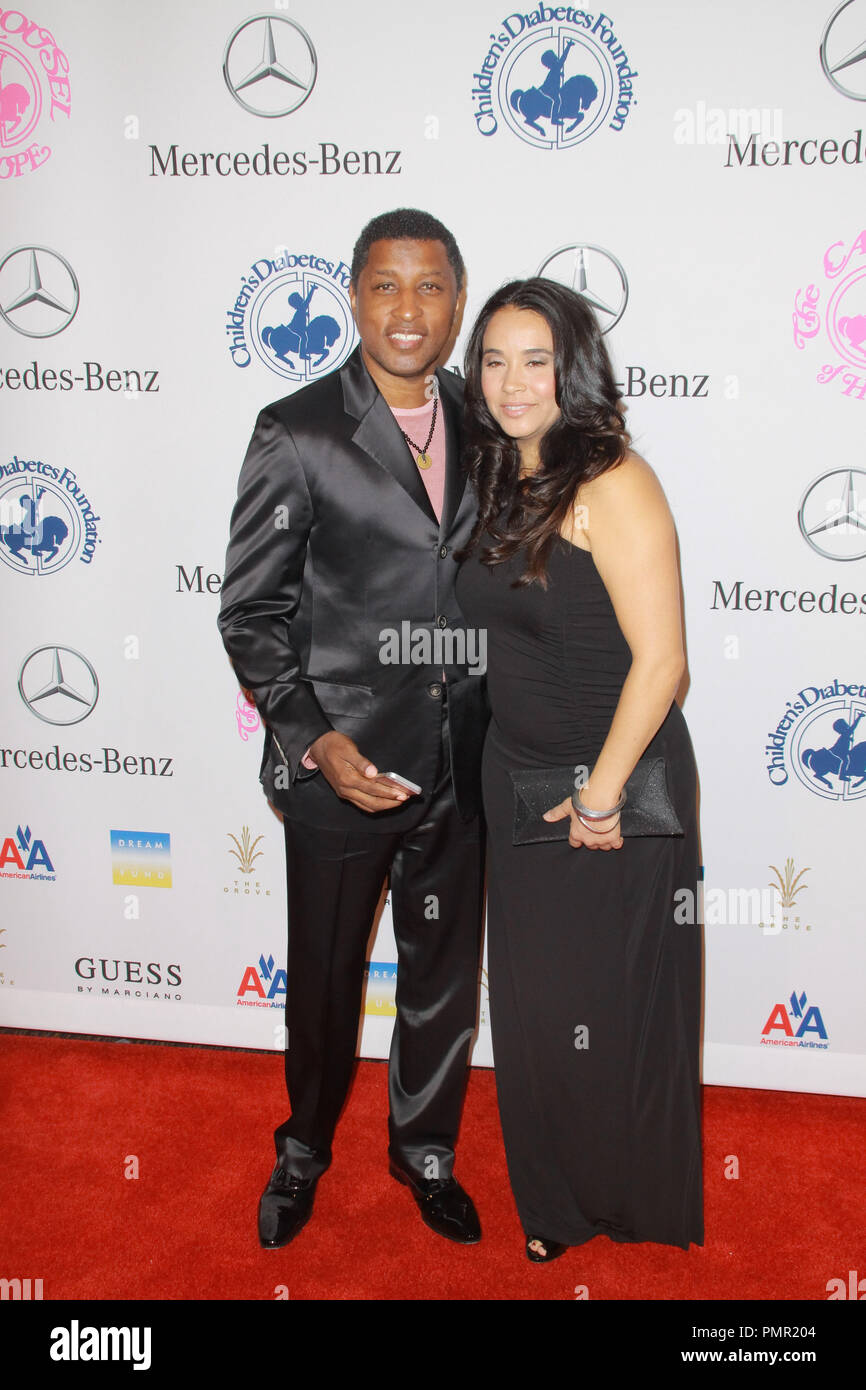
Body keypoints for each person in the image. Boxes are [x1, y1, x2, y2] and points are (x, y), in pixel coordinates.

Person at [218, 209, 488, 1250]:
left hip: (461, 758)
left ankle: (425, 1150)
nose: (408, 310)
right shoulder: (297, 429)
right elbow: (249, 611)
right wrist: (316, 740)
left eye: (429, 287)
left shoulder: (490, 417)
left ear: (457, 301)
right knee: (324, 979)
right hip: (339, 765)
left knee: (438, 975)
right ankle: (303, 1148)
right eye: (385, 286)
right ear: (351, 295)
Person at [455, 278, 703, 1261]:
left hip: (611, 783)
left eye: (535, 360)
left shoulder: (612, 480)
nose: (512, 383)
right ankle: (555, 1207)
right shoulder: (494, 475)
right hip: (512, 775)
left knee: (617, 1004)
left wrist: (596, 793)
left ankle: (628, 1198)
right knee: (534, 1009)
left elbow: (663, 662)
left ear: (574, 367)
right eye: (493, 359)